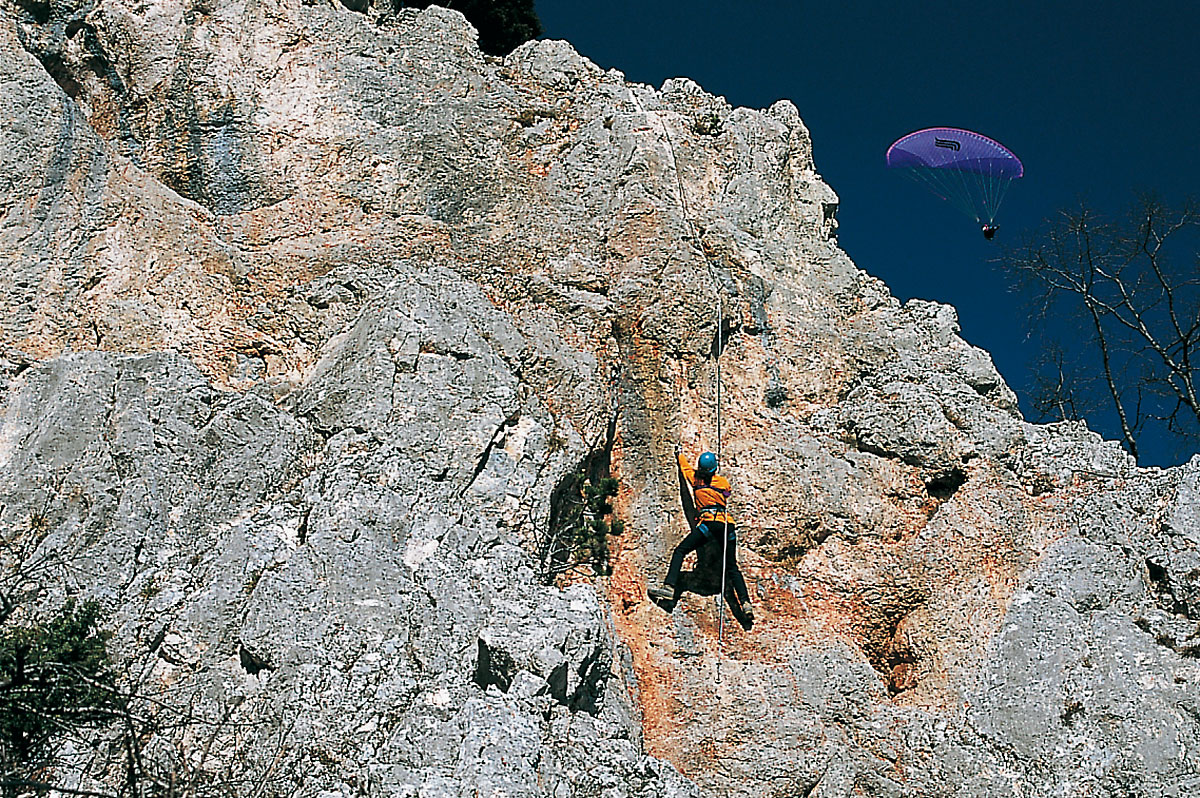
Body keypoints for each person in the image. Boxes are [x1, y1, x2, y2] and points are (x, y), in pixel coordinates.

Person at [648, 446, 753, 621]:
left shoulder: (695, 480)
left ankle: (669, 587)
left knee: (680, 551)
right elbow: (728, 492)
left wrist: (679, 454)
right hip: (727, 526)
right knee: (732, 567)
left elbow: (685, 469)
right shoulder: (722, 482)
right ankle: (746, 603)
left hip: (709, 524)